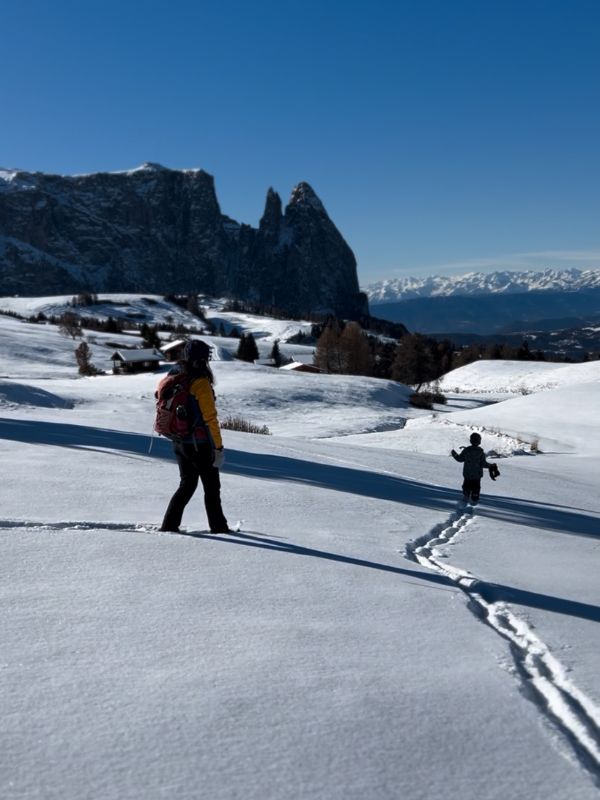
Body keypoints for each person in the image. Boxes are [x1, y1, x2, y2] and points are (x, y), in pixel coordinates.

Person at [160, 339, 230, 533]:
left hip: (179, 440)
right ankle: (219, 528)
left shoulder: (174, 374)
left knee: (187, 484)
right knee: (212, 488)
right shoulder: (200, 382)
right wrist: (218, 448)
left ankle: (169, 525)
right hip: (200, 444)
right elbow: (210, 418)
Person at [450, 432, 494, 505]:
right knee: (476, 487)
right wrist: (490, 466)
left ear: (471, 441)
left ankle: (466, 494)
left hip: (467, 473)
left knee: (466, 485)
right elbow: (483, 464)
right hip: (477, 475)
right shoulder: (481, 452)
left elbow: (460, 459)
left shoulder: (466, 450)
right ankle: (475, 498)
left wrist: (454, 454)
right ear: (479, 441)